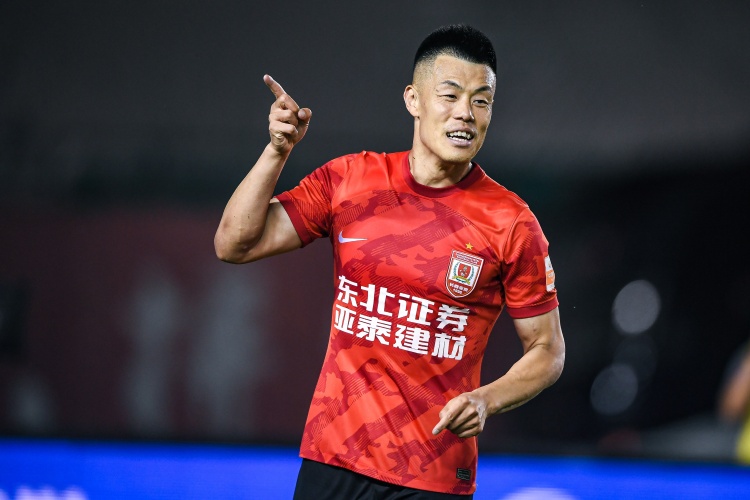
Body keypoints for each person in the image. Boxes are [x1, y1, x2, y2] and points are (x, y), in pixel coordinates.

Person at [215, 24, 565, 499]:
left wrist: (486, 400)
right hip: (333, 458)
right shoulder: (350, 180)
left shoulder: (511, 222)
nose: (466, 113)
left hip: (432, 474)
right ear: (413, 100)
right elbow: (233, 244)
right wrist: (277, 151)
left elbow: (547, 350)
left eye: (481, 101)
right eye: (450, 95)